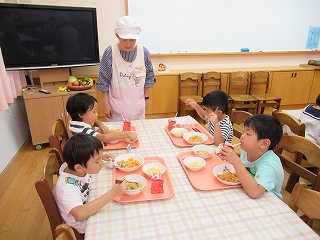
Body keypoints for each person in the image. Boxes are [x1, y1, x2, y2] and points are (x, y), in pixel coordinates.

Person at [55, 133, 129, 234]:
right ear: (79, 168)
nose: (101, 163)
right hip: (84, 228)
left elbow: (84, 159)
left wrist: (101, 156)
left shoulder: (75, 165)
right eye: (97, 161)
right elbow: (80, 214)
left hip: (90, 203)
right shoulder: (67, 187)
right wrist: (113, 193)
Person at [96, 16, 155, 121]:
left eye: (132, 40)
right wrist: (105, 104)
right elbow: (103, 80)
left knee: (137, 134)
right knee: (117, 135)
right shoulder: (110, 52)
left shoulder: (143, 52)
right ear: (117, 36)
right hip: (116, 109)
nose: (128, 44)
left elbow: (149, 77)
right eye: (124, 40)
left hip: (138, 106)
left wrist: (147, 99)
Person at [219, 114, 284, 199]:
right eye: (243, 132)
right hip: (246, 190)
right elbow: (242, 156)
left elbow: (255, 193)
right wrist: (232, 154)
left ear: (264, 144)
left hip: (268, 200)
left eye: (248, 134)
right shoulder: (249, 150)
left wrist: (236, 161)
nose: (242, 136)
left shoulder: (269, 164)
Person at [66, 92, 137, 143]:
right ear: (81, 114)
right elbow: (104, 138)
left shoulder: (78, 121)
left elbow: (95, 121)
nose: (96, 114)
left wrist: (101, 125)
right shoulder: (83, 130)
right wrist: (127, 134)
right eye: (94, 112)